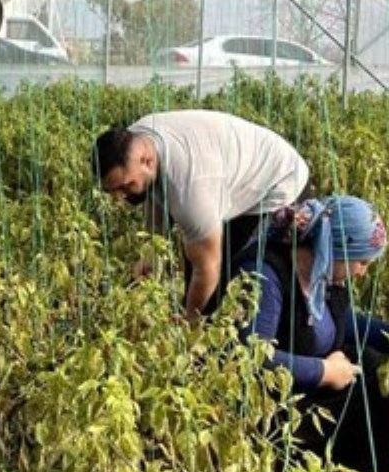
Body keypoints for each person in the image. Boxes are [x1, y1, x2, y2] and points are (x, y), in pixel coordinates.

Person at [234, 196, 389, 472]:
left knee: (370, 366)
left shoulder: (322, 274)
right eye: (361, 262)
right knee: (362, 376)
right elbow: (252, 356)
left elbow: (339, 323)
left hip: (307, 391)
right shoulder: (264, 276)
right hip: (275, 409)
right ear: (334, 249)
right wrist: (325, 371)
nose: (362, 273)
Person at [93, 110, 311, 319]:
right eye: (110, 190)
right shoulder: (133, 141)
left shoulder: (191, 191)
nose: (118, 198)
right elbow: (155, 194)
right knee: (198, 258)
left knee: (235, 276)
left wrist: (191, 321)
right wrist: (152, 253)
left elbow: (207, 269)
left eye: (125, 186)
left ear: (148, 161)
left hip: (277, 181)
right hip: (227, 168)